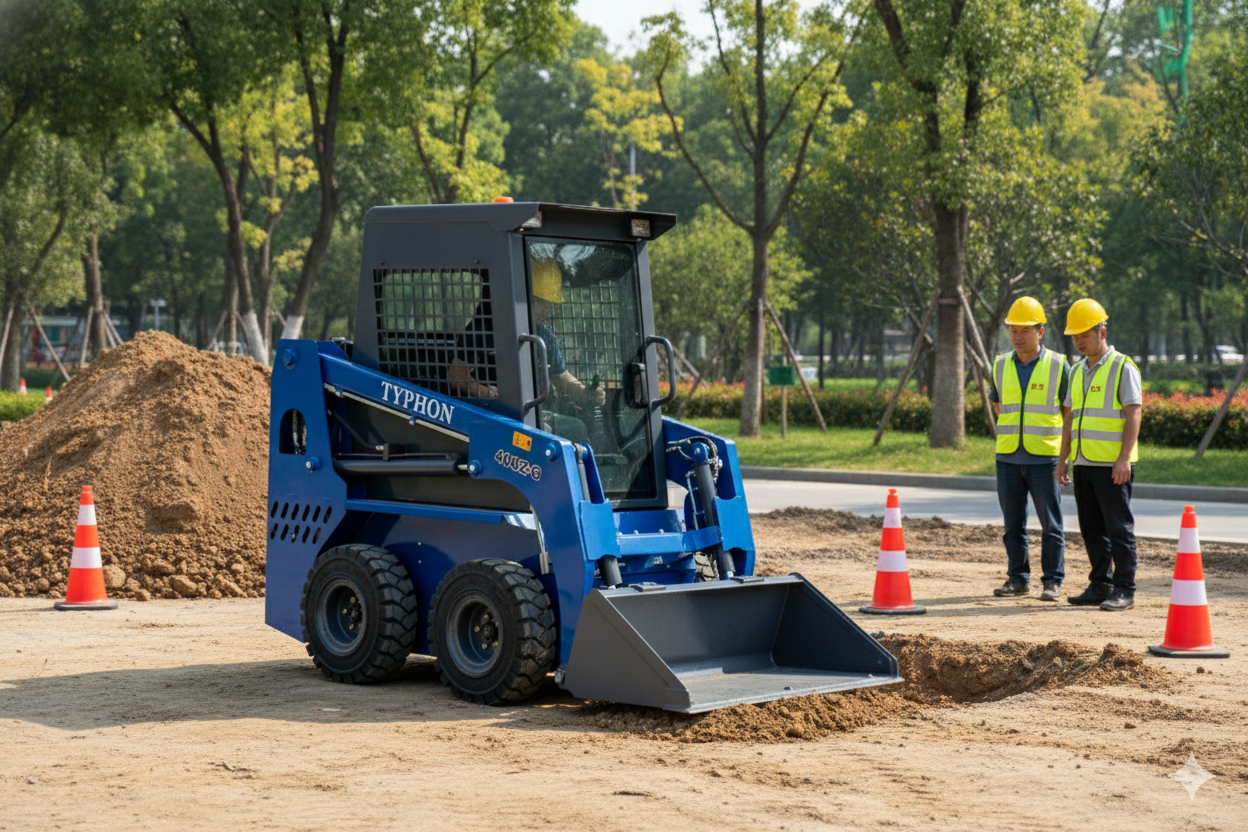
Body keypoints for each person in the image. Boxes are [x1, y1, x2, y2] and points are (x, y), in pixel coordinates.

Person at [447, 256, 604, 436]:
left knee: (576, 428)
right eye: (540, 302)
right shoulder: (481, 330)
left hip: (532, 411)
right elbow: (456, 376)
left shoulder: (544, 336)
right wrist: (485, 392)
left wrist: (586, 392)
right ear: (522, 297)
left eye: (549, 303)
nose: (547, 309)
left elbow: (563, 380)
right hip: (493, 414)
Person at [1056, 298, 1143, 612]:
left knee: (1118, 528)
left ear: (1102, 332)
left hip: (1111, 464)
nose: (1079, 341)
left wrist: (1123, 459)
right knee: (1091, 528)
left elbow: (1134, 413)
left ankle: (1125, 588)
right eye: (1075, 336)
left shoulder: (1123, 366)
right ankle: (1100, 584)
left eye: (1085, 335)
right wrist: (1064, 458)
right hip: (1083, 463)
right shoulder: (1077, 371)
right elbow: (1070, 418)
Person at [988, 297, 1070, 602]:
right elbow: (999, 406)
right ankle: (1018, 579)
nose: (1018, 336)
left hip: (1044, 457)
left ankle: (1052, 582)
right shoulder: (999, 364)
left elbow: (1067, 413)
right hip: (1008, 457)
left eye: (1025, 330)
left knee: (1051, 524)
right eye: (1013, 330)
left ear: (1040, 331)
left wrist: (1063, 458)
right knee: (1013, 525)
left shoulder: (1059, 365)